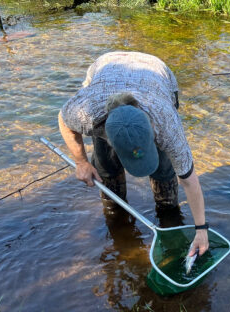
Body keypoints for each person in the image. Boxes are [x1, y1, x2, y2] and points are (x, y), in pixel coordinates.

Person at [58, 51, 208, 256]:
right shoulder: (86, 113)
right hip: (106, 68)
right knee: (106, 169)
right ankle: (118, 220)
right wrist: (82, 162)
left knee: (165, 172)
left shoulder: (166, 124)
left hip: (154, 72)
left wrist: (201, 230)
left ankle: (167, 212)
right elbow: (63, 120)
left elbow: (189, 180)